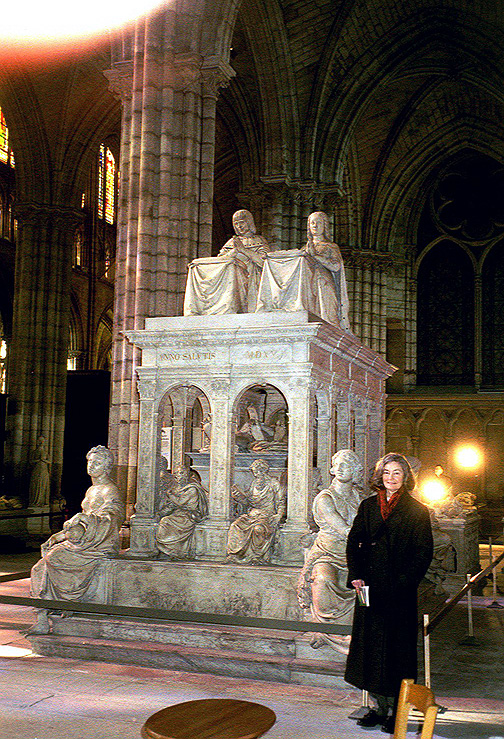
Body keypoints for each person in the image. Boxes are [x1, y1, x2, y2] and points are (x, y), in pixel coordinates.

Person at [345, 453, 433, 734]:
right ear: (379, 477)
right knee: (370, 647)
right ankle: (377, 706)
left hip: (398, 591)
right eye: (386, 473)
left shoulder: (418, 510)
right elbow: (354, 541)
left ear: (406, 477)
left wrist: (403, 582)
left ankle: (397, 709)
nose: (391, 478)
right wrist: (356, 575)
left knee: (396, 649)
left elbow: (423, 553)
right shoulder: (369, 506)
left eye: (397, 473)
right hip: (369, 588)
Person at [30, 445, 125, 626]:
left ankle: (57, 606)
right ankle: (43, 612)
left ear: (107, 467)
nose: (91, 466)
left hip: (99, 544)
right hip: (83, 542)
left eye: (97, 463)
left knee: (52, 558)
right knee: (39, 567)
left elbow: (113, 518)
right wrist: (58, 536)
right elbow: (79, 525)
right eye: (90, 462)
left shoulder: (110, 490)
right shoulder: (91, 490)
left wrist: (85, 518)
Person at [297, 449, 364, 654]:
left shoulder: (358, 498)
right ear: (333, 469)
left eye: (347, 465)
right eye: (338, 465)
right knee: (324, 580)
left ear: (355, 472)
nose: (341, 469)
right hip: (327, 554)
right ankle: (327, 631)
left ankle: (365, 626)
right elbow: (342, 528)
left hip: (353, 556)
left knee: (369, 587)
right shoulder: (325, 498)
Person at [256, 211, 351, 329]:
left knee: (329, 318)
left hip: (323, 284)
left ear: (325, 225)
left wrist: (315, 256)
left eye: (319, 222)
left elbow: (336, 266)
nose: (315, 226)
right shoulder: (304, 249)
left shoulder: (330, 246)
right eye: (312, 223)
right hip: (308, 286)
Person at [183, 209, 270, 315]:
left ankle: (228, 307)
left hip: (249, 275)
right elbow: (221, 260)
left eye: (242, 223)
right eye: (236, 224)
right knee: (196, 266)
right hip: (231, 271)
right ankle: (202, 307)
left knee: (231, 267)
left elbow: (264, 262)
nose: (239, 226)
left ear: (249, 223)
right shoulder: (231, 242)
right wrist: (232, 252)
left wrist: (243, 250)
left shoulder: (259, 241)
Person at [226, 459, 286, 564]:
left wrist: (278, 516)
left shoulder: (274, 483)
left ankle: (257, 556)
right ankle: (235, 555)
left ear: (264, 471)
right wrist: (238, 497)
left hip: (267, 515)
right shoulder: (254, 483)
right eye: (255, 472)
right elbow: (248, 501)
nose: (256, 474)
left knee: (258, 529)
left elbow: (280, 502)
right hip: (252, 515)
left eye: (258, 471)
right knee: (235, 526)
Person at [155, 464, 209, 559]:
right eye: (177, 473)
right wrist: (162, 511)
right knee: (164, 519)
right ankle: (168, 550)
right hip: (178, 514)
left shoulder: (192, 489)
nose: (179, 476)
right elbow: (172, 505)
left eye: (181, 473)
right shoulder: (176, 488)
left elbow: (180, 502)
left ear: (187, 475)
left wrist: (170, 495)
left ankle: (172, 551)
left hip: (188, 515)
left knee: (166, 521)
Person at [28, 436, 51, 507]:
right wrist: (38, 460)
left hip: (44, 470)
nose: (41, 442)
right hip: (37, 470)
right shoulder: (34, 452)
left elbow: (49, 461)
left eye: (42, 441)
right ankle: (35, 501)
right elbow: (31, 461)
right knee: (36, 484)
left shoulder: (45, 452)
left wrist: (43, 460)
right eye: (40, 441)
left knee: (43, 484)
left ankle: (43, 501)